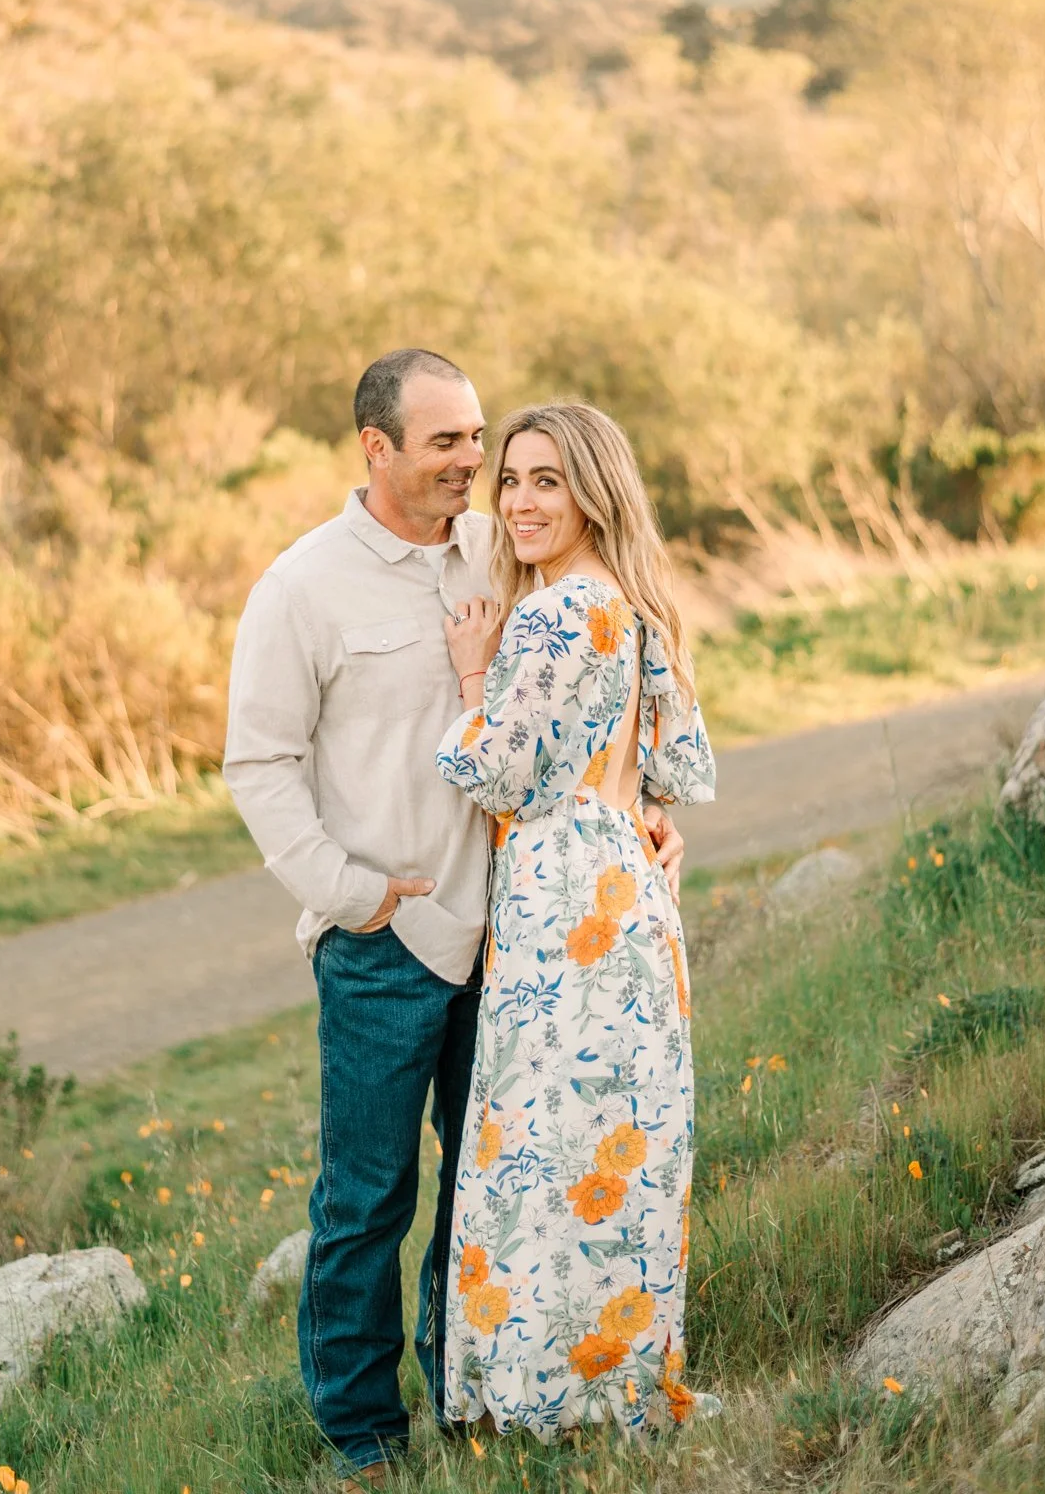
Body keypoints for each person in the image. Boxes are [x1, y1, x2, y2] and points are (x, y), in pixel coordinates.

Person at [224, 359, 687, 1483]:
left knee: (491, 1182)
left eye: (478, 439)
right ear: (375, 450)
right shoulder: (304, 586)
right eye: (447, 443)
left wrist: (645, 808)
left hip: (524, 942)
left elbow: (601, 671)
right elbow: (259, 762)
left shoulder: (506, 544)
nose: (476, 465)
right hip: (388, 945)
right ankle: (362, 1430)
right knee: (369, 1195)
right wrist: (349, 894)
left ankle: (467, 1394)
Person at [435, 401, 716, 1440]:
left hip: (566, 908)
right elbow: (665, 776)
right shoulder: (626, 601)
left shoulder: (554, 613)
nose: (518, 500)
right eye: (508, 479)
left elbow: (493, 765)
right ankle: (607, 1384)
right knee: (610, 1143)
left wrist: (474, 667)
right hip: (626, 896)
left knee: (548, 1151)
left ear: (592, 490)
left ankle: (544, 1399)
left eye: (545, 479)